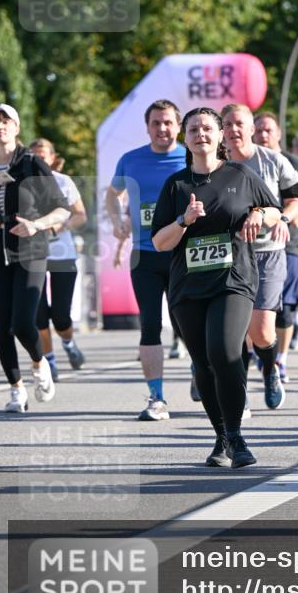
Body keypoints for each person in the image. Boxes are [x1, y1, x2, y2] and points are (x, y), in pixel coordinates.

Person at [151, 106, 280, 468]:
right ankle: (221, 436)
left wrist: (257, 214)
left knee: (225, 353)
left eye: (208, 128)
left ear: (221, 135)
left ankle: (237, 437)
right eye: (193, 129)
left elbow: (274, 210)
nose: (201, 134)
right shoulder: (176, 185)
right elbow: (161, 241)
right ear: (185, 137)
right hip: (187, 288)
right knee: (203, 364)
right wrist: (183, 220)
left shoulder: (240, 174)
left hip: (233, 280)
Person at [105, 100, 187, 420]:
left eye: (168, 123)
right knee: (150, 324)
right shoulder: (131, 160)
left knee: (188, 324)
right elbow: (113, 194)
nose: (162, 129)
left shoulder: (189, 157)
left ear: (177, 126)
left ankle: (201, 373)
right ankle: (157, 398)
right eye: (156, 123)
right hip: (144, 254)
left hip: (182, 253)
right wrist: (116, 221)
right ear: (148, 127)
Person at [221, 104, 298, 409]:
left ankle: (270, 369)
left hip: (268, 253)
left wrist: (282, 219)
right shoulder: (214, 164)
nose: (233, 130)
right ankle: (238, 395)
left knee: (261, 330)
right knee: (236, 330)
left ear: (251, 128)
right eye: (227, 124)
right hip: (228, 255)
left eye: (239, 124)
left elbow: (295, 200)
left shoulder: (273, 161)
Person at [0, 104, 70, 412]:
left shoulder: (31, 163)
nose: (0, 126)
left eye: (5, 121)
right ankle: (16, 390)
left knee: (23, 323)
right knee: (2, 325)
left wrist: (36, 224)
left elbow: (61, 208)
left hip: (31, 249)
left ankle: (39, 364)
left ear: (17, 127)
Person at [253, 111, 298, 381]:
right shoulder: (244, 164)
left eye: (268, 130)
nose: (263, 134)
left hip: (289, 243)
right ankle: (257, 352)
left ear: (279, 134)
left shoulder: (292, 163)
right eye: (258, 130)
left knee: (285, 307)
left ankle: (280, 360)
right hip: (253, 246)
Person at [29, 138, 87, 379]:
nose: (39, 160)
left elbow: (80, 216)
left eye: (43, 156)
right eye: (34, 157)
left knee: (61, 316)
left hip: (62, 253)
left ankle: (69, 344)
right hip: (32, 256)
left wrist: (57, 227)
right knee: (39, 314)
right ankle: (49, 361)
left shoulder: (63, 182)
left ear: (53, 158)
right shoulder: (22, 183)